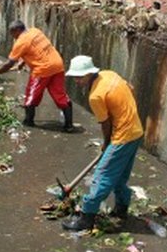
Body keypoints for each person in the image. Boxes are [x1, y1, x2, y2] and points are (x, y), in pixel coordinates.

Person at [61, 56, 144, 231]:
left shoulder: (95, 96)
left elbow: (105, 123)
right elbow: (131, 88)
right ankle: (121, 210)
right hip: (136, 132)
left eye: (80, 77)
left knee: (101, 175)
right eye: (75, 77)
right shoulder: (109, 75)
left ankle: (86, 218)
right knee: (119, 176)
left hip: (122, 137)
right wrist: (125, 112)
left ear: (90, 73)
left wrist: (107, 144)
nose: (77, 81)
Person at [0, 20, 74, 131]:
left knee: (31, 96)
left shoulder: (21, 42)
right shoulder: (35, 31)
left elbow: (9, 64)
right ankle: (69, 125)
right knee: (60, 95)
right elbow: (37, 49)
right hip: (57, 65)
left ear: (17, 30)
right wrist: (23, 62)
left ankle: (29, 121)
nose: (13, 37)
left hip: (42, 69)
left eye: (12, 33)